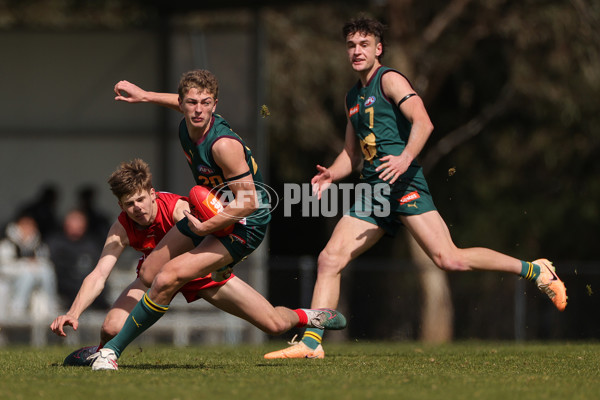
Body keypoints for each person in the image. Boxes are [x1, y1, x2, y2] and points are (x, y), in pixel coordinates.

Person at [263, 16, 567, 359]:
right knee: (329, 259)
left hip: (405, 184)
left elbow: (424, 121)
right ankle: (311, 344)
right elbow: (351, 154)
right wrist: (331, 174)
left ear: (379, 49)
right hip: (374, 193)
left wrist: (406, 158)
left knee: (449, 259)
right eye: (351, 45)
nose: (356, 51)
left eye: (364, 45)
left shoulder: (389, 79)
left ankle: (535, 269)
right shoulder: (353, 96)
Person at [86, 72, 346, 370]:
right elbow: (181, 103)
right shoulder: (186, 125)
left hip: (245, 224)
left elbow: (249, 202)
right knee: (149, 273)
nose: (198, 109)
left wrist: (206, 228)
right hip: (212, 210)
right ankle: (309, 315)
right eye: (191, 102)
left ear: (215, 104)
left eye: (206, 103)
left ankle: (111, 353)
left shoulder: (223, 145)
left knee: (166, 278)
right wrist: (145, 95)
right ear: (183, 104)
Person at [51, 158, 344, 367]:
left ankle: (309, 316)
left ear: (153, 194)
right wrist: (73, 312)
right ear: (121, 206)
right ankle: (103, 356)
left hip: (199, 274)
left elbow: (222, 237)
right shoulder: (121, 226)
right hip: (153, 280)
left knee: (275, 324)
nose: (137, 208)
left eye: (141, 199)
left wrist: (222, 264)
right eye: (129, 204)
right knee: (112, 326)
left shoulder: (179, 210)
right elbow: (99, 273)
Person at [0, 209, 58, 320]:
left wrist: (35, 267)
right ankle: (17, 309)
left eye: (31, 226)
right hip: (11, 286)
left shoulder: (39, 246)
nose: (28, 229)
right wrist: (24, 266)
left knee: (46, 271)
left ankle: (50, 306)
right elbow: (3, 269)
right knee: (27, 275)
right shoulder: (7, 245)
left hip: (35, 286)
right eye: (24, 225)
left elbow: (45, 264)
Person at [47, 209, 109, 310]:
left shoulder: (91, 244)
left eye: (80, 222)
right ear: (66, 224)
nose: (77, 226)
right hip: (65, 288)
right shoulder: (55, 243)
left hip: (88, 288)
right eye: (74, 221)